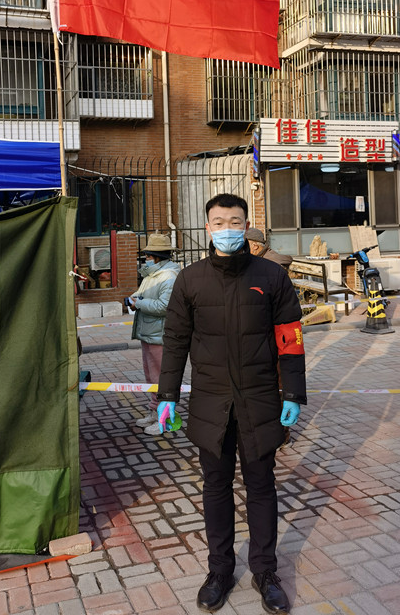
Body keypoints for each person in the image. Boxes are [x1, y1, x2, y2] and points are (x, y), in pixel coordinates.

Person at [157, 193, 306, 614]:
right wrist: (167, 395)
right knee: (216, 487)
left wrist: (293, 394)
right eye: (219, 221)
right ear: (208, 227)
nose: (227, 228)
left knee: (261, 486)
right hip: (211, 402)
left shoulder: (271, 277)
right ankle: (219, 571)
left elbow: (291, 338)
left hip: (260, 400)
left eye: (235, 221)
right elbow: (175, 341)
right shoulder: (191, 280)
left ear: (246, 226)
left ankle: (265, 572)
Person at [246, 227, 294, 450]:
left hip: (276, 337)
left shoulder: (270, 268)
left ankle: (281, 434)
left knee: (277, 386)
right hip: (267, 337)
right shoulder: (261, 263)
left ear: (255, 246)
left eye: (244, 245)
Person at [128, 233, 180, 436]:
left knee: (161, 378)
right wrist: (134, 299)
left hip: (160, 334)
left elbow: (164, 306)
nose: (146, 259)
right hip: (149, 333)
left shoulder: (168, 276)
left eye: (149, 256)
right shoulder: (153, 275)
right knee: (151, 377)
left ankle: (164, 419)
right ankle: (154, 410)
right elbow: (143, 296)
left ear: (158, 256)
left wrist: (139, 303)